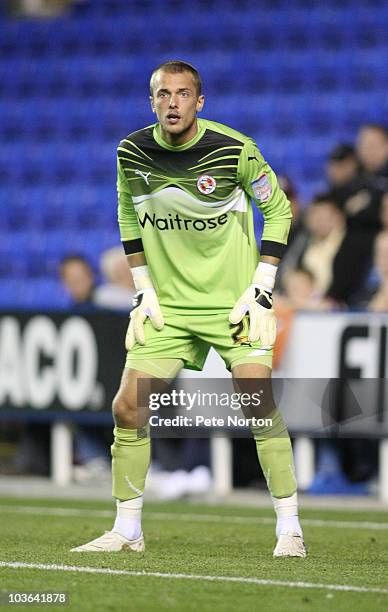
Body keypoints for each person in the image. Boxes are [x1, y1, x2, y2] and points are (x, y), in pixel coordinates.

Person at [71, 60, 306, 557]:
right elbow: (126, 211)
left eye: (182, 94)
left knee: (255, 399)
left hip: (234, 303)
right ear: (151, 101)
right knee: (127, 405)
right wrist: (142, 286)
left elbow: (279, 209)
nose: (172, 103)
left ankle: (290, 527)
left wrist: (262, 284)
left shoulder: (234, 150)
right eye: (162, 94)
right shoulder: (132, 152)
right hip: (169, 307)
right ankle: (127, 529)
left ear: (200, 102)